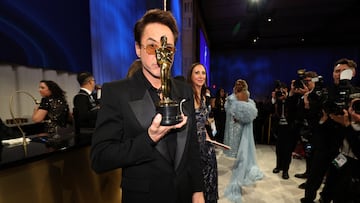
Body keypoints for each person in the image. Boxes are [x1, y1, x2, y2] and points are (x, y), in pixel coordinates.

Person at [90, 9, 205, 203]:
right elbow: (100, 158)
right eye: (152, 47)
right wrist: (149, 138)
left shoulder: (184, 91)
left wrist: (198, 191)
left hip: (183, 195)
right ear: (138, 48)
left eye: (167, 48)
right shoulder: (117, 93)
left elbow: (192, 146)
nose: (160, 56)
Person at [301, 58, 357, 203]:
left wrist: (343, 120)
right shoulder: (325, 92)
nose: (339, 74)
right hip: (324, 143)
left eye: (343, 71)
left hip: (345, 149)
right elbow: (313, 117)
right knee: (314, 177)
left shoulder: (356, 95)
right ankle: (308, 199)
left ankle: (324, 199)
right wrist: (322, 117)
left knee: (335, 180)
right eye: (336, 71)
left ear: (352, 73)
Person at [223, 79, 263, 203]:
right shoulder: (240, 100)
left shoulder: (235, 100)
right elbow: (241, 114)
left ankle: (240, 177)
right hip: (239, 131)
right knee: (242, 155)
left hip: (241, 131)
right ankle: (241, 175)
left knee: (242, 155)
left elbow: (239, 114)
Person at [187, 63, 218, 203]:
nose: (201, 76)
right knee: (197, 184)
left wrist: (209, 138)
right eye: (197, 73)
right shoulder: (187, 97)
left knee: (209, 181)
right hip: (193, 146)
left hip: (207, 147)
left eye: (203, 73)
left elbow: (203, 125)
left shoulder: (205, 97)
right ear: (191, 76)